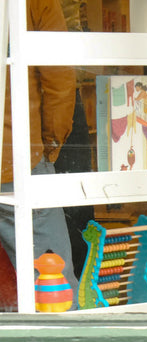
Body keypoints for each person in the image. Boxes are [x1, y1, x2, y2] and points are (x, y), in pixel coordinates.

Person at [0, 0, 78, 307]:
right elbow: (58, 82)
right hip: (15, 160)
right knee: (53, 283)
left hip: (14, 158)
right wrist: (48, 148)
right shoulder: (37, 2)